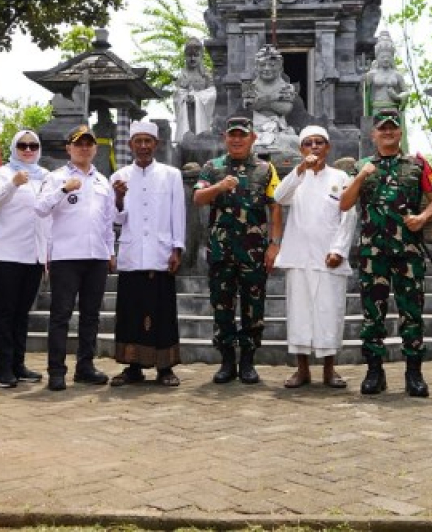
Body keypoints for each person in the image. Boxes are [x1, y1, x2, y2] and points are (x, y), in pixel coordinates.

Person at [338, 108, 432, 397]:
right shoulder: (359, 166)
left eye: (392, 128)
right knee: (373, 315)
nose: (387, 133)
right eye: (382, 128)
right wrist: (360, 177)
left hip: (408, 252)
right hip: (373, 254)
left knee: (412, 313)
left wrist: (422, 218)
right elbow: (344, 204)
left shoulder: (417, 165)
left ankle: (414, 373)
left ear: (399, 132)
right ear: (373, 134)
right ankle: (374, 372)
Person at [193, 115, 283, 385]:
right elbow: (198, 197)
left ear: (252, 138)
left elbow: (275, 206)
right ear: (225, 138)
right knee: (222, 306)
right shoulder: (212, 167)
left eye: (242, 135)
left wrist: (274, 245)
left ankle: (248, 360)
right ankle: (227, 360)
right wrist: (220, 186)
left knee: (253, 307)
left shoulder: (266, 168)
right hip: (221, 251)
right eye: (232, 135)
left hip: (254, 253)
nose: (237, 139)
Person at [274, 126, 358, 389]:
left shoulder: (341, 176)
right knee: (300, 314)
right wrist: (300, 170)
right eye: (308, 143)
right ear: (301, 149)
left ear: (328, 147)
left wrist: (339, 250)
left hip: (328, 257)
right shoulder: (296, 178)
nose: (314, 147)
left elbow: (348, 215)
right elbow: (279, 197)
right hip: (299, 257)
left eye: (319, 142)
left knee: (329, 313)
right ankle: (302, 370)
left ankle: (330, 370)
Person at [37, 124, 116, 391]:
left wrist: (110, 252)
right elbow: (40, 208)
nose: (84, 148)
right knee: (61, 314)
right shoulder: (56, 177)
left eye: (88, 143)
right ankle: (56, 370)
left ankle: (85, 366)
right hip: (66, 256)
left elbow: (107, 222)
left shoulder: (102, 181)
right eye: (78, 143)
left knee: (91, 315)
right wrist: (63, 190)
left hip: (96, 257)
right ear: (68, 148)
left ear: (95, 148)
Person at [109, 120, 186, 387]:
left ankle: (165, 368)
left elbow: (178, 214)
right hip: (132, 254)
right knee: (131, 311)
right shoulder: (118, 176)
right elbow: (116, 219)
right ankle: (133, 367)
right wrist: (118, 198)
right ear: (130, 145)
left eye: (147, 141)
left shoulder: (171, 174)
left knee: (162, 311)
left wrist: (177, 247)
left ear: (156, 144)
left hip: (160, 252)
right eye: (138, 141)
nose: (143, 146)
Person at [0, 130, 50, 389]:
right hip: (5, 254)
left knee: (22, 313)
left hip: (33, 254)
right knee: (5, 312)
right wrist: (13, 183)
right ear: (14, 147)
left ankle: (18, 364)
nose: (28, 150)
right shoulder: (3, 173)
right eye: (22, 145)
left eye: (33, 145)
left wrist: (47, 254)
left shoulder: (45, 177)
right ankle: (3, 369)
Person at [172, 37, 216, 140]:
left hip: (202, 114)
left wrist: (197, 98)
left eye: (196, 55)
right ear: (185, 56)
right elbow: (177, 96)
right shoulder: (182, 76)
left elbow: (212, 94)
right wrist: (184, 97)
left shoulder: (206, 76)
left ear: (201, 56)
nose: (192, 59)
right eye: (189, 55)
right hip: (187, 113)